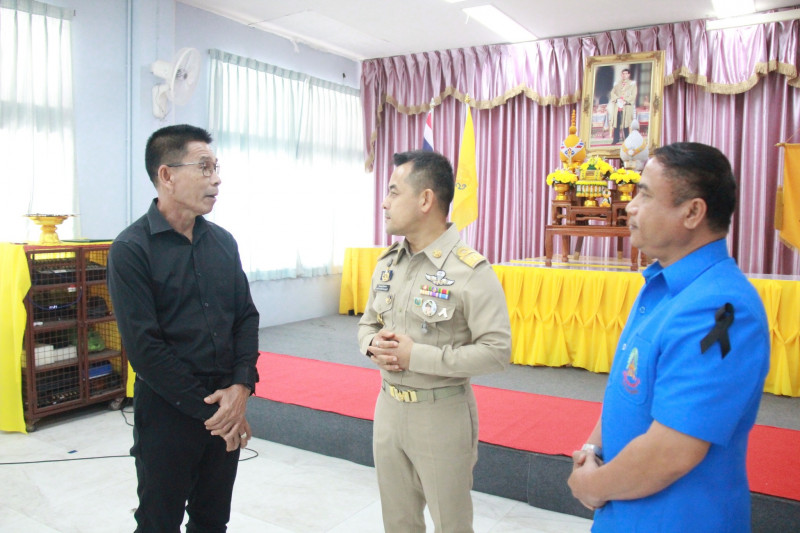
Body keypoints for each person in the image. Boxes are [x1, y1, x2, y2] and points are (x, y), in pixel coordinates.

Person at [567, 142, 770, 532]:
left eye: (644, 194)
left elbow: (673, 451)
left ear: (692, 212)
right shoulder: (662, 286)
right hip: (624, 512)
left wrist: (591, 486)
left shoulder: (720, 310)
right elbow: (629, 392)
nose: (630, 207)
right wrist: (592, 450)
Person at [108, 124, 260, 532]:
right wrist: (218, 413)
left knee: (212, 520)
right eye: (204, 167)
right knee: (159, 521)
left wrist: (241, 387)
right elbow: (145, 350)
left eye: (216, 167)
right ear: (167, 175)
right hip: (168, 410)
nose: (216, 178)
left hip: (226, 399)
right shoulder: (131, 250)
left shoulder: (223, 242)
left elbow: (246, 317)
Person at [358, 150, 511, 532]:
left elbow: (497, 351)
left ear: (425, 199)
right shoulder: (388, 263)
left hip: (440, 414)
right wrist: (372, 344)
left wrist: (417, 356)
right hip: (388, 408)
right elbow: (367, 324)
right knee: (398, 523)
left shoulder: (470, 270)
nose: (384, 202)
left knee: (451, 525)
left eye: (394, 191)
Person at [607, 68, 637, 145]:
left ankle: (626, 139)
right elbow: (612, 93)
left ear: (629, 75)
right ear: (621, 75)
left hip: (626, 106)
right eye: (623, 74)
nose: (624, 75)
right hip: (617, 107)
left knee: (625, 123)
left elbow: (633, 95)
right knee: (616, 123)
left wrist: (625, 101)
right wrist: (617, 99)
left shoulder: (632, 84)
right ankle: (615, 139)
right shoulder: (617, 84)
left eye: (626, 73)